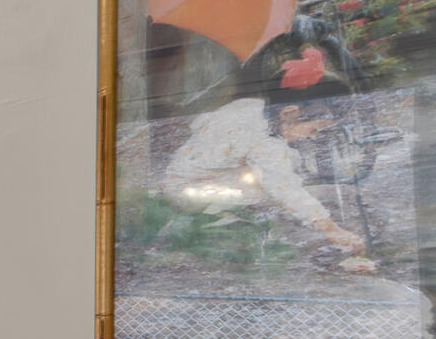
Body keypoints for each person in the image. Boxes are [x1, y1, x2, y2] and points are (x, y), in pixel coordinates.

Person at [156, 94, 364, 252]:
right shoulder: (265, 144)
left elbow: (199, 124)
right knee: (273, 191)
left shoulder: (250, 105)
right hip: (188, 191)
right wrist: (332, 230)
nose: (312, 137)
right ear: (289, 113)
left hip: (181, 173)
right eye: (314, 130)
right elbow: (286, 191)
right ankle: (243, 229)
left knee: (283, 167)